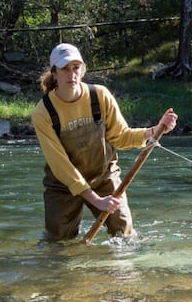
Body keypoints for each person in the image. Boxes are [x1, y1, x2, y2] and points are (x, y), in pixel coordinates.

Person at [32, 42, 178, 241]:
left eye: (76, 68)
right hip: (63, 185)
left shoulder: (100, 95)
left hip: (104, 177)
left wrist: (155, 130)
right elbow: (61, 166)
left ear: (83, 70)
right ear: (54, 73)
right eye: (65, 69)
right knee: (58, 244)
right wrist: (95, 200)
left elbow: (122, 137)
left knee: (125, 235)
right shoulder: (43, 112)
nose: (71, 74)